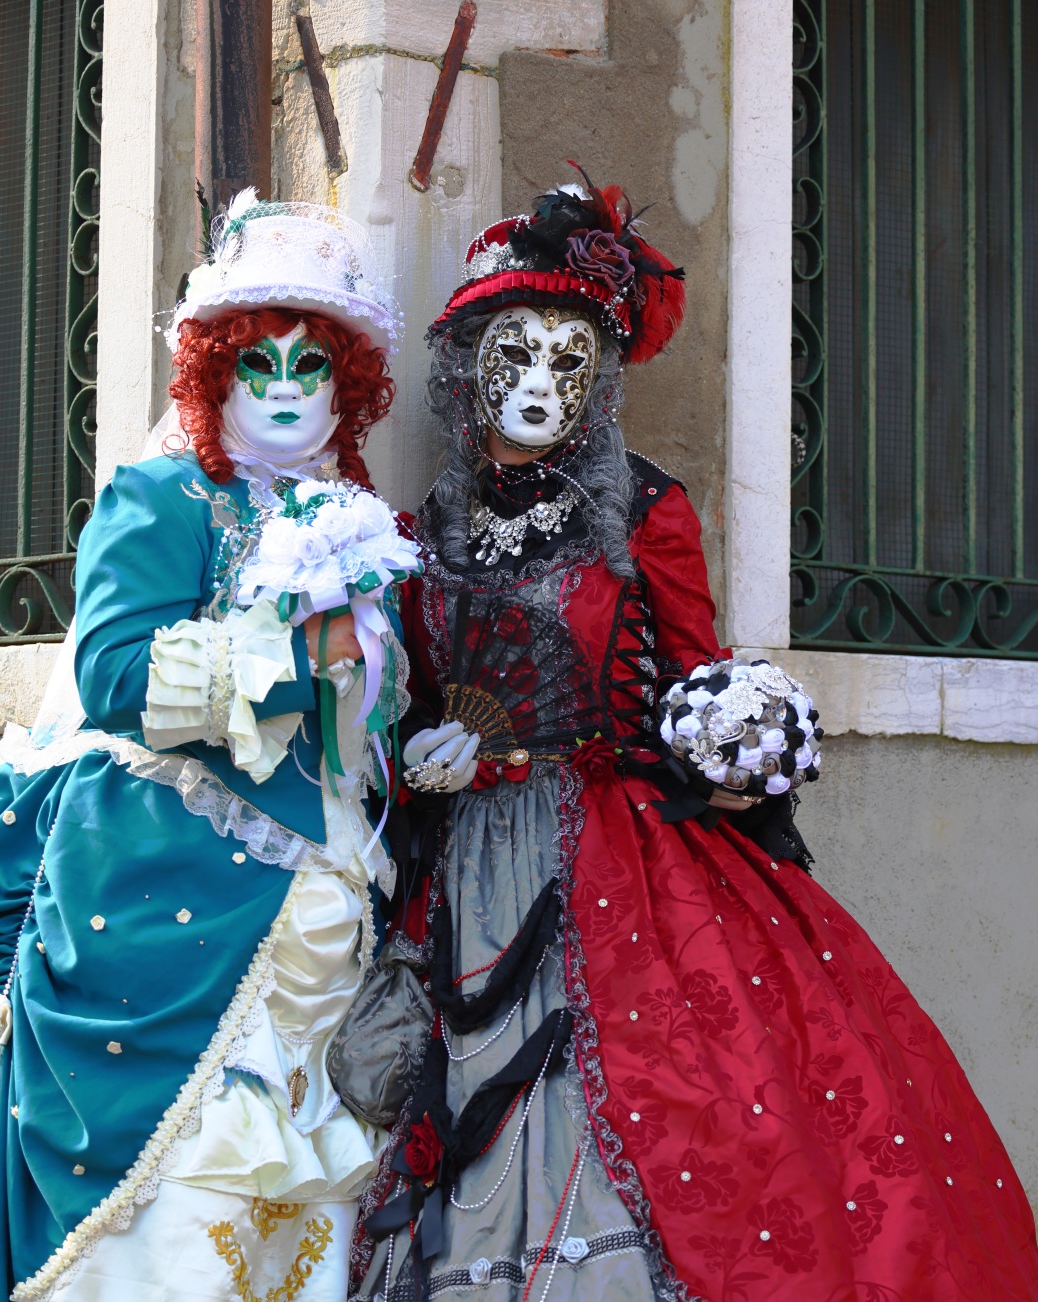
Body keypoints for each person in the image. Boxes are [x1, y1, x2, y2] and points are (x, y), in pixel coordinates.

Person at [352, 173, 1038, 1301]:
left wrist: (735, 740)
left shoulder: (647, 508)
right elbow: (409, 694)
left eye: (568, 358)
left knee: (670, 1106)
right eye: (512, 352)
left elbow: (692, 665)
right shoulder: (424, 532)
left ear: (601, 380)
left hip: (620, 854)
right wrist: (427, 750)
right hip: (463, 863)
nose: (535, 381)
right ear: (468, 364)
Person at [0, 193, 415, 1302]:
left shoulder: (352, 517)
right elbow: (115, 675)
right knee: (168, 1181)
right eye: (258, 362)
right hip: (161, 886)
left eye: (312, 368)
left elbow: (373, 715)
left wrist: (364, 662)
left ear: (347, 387)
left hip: (312, 906)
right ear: (214, 370)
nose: (284, 390)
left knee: (283, 1193)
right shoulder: (160, 495)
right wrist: (287, 654)